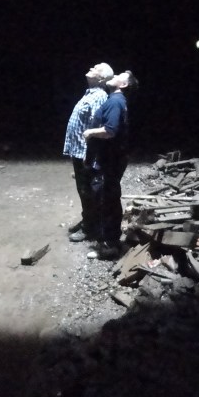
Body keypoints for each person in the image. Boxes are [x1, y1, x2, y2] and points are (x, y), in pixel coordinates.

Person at [83, 69, 138, 260]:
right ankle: (110, 241)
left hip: (111, 160)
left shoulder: (115, 101)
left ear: (124, 85)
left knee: (107, 200)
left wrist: (90, 132)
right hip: (113, 159)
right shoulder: (117, 100)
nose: (114, 76)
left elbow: (110, 130)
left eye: (118, 76)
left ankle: (109, 246)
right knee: (110, 198)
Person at [63, 62, 115, 243]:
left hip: (86, 153)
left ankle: (90, 228)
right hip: (79, 151)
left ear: (101, 79)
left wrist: (90, 155)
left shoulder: (99, 96)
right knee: (83, 190)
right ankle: (88, 219)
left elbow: (98, 126)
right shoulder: (90, 93)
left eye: (96, 68)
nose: (92, 68)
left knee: (88, 191)